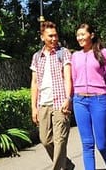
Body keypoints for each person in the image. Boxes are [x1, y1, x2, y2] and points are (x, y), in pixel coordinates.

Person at [71, 23, 106, 170]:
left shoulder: (103, 53)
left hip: (99, 100)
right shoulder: (75, 56)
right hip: (79, 101)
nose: (80, 38)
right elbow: (73, 79)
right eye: (78, 35)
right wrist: (69, 99)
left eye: (83, 34)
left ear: (91, 35)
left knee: (102, 144)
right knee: (87, 144)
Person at [30, 20, 75, 170]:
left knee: (60, 140)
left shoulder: (64, 53)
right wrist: (34, 108)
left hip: (60, 103)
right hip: (44, 104)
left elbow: (68, 78)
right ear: (42, 37)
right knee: (45, 140)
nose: (54, 39)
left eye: (55, 35)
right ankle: (67, 165)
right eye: (50, 36)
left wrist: (68, 99)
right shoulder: (37, 57)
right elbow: (35, 83)